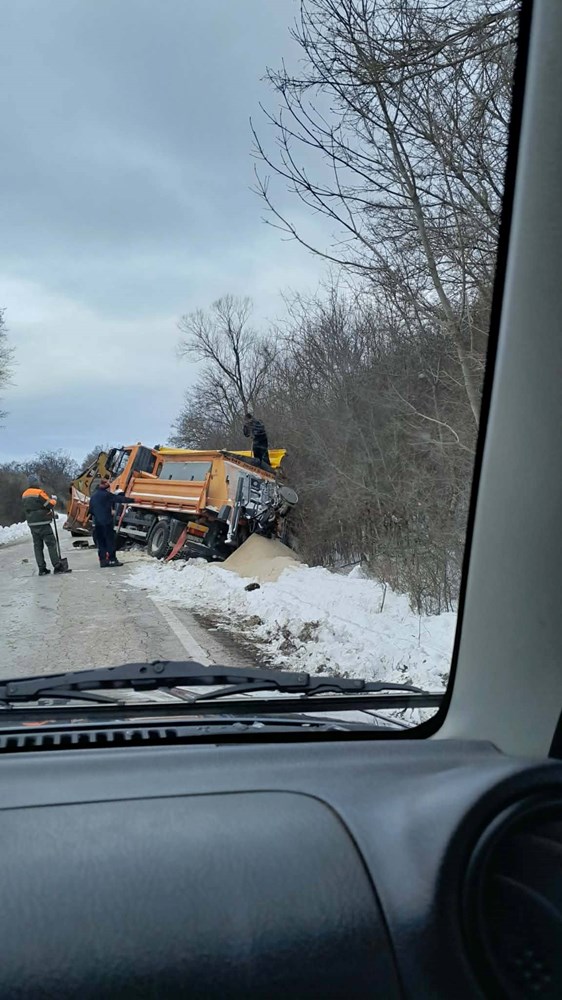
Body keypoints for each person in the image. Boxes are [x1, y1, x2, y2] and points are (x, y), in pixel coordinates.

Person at [22, 474, 68, 576]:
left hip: (32, 523)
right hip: (43, 522)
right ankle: (57, 565)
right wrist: (54, 499)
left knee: (37, 546)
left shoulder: (24, 494)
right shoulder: (39, 493)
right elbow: (49, 504)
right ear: (35, 482)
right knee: (51, 543)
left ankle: (42, 569)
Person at [89, 479, 130, 568]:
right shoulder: (106, 495)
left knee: (101, 542)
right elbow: (119, 499)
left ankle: (103, 561)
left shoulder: (93, 496)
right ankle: (112, 560)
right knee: (110, 541)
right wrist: (134, 500)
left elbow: (91, 510)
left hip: (98, 523)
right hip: (107, 522)